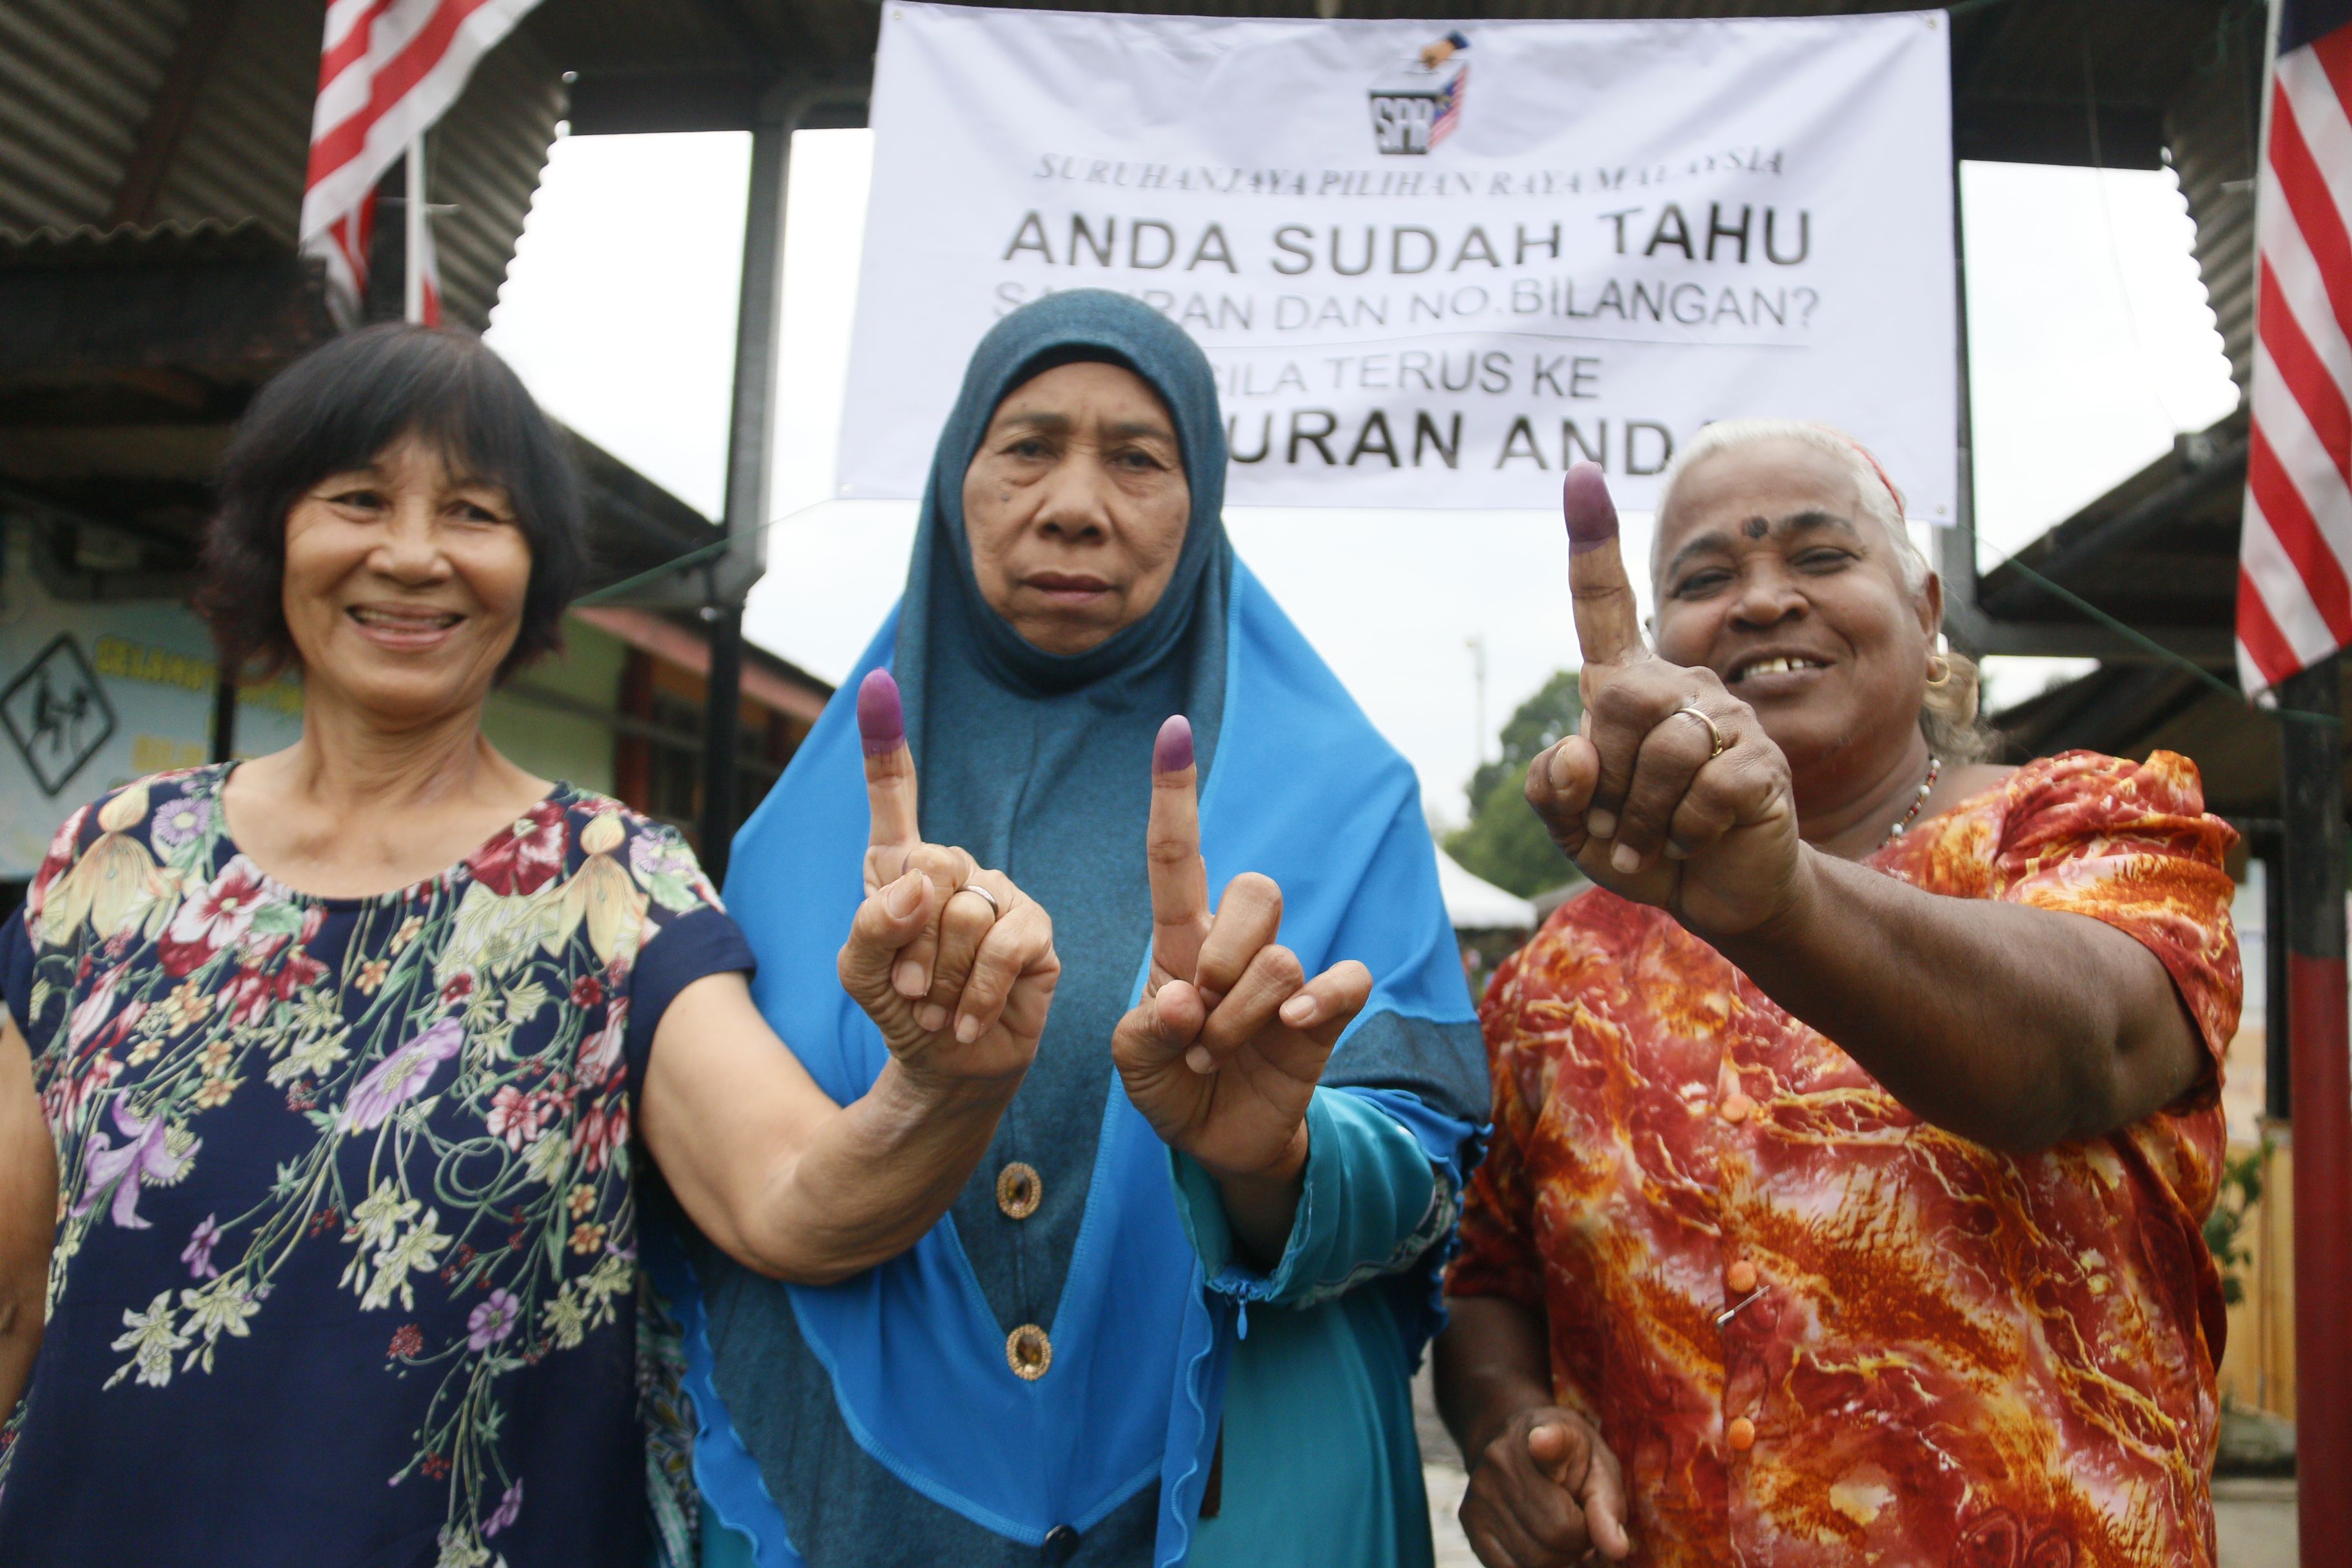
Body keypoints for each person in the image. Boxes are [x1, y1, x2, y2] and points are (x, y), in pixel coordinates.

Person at [0, 324, 1062, 1567]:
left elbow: (792, 1204)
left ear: (533, 569)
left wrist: (946, 1083)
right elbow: (14, 1291)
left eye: (473, 511)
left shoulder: (610, 886)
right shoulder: (114, 859)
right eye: (356, 500)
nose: (410, 553)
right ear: (272, 534)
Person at [663, 289, 1489, 1568]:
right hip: (850, 1513)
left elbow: (1431, 1175)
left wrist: (1280, 1158)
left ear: (1202, 493)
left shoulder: (1340, 799)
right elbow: (734, 1172)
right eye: (1029, 446)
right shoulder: (800, 836)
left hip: (1238, 1500)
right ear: (958, 480)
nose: (1074, 504)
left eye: (1139, 458)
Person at [1436, 424, 2241, 1567]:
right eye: (1706, 579)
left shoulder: (2089, 828)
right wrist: (1511, 1426)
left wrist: (1787, 903)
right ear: (1662, 643)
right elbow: (1486, 1277)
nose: (1763, 602)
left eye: (1820, 557)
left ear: (1924, 610)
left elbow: (2086, 1048)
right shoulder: (1559, 974)